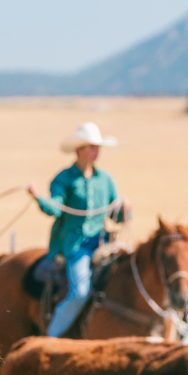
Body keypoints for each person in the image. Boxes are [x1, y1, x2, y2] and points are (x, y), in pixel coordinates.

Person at [26, 122, 124, 337]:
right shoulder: (63, 179)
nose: (96, 151)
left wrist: (125, 209)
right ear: (79, 149)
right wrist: (37, 197)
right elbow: (55, 208)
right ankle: (52, 336)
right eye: (91, 146)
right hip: (75, 246)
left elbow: (117, 214)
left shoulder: (105, 180)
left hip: (102, 243)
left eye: (98, 147)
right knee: (80, 292)